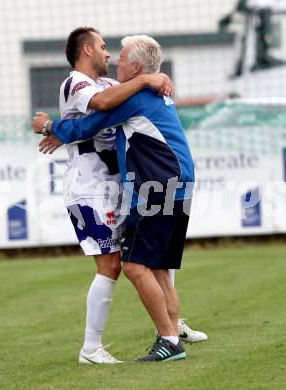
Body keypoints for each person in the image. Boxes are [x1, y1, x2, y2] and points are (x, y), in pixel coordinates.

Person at [33, 35, 207, 362]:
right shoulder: (110, 85)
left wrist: (48, 126)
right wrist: (152, 77)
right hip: (158, 184)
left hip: (153, 185)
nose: (114, 58)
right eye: (106, 49)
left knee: (135, 266)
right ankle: (167, 330)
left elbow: (95, 116)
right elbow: (102, 105)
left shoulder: (132, 93)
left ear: (137, 67)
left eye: (122, 57)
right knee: (149, 266)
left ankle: (167, 339)